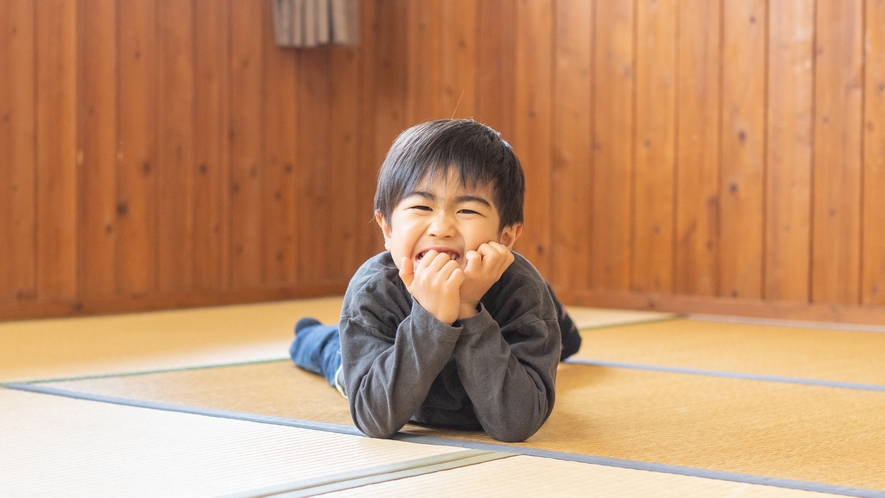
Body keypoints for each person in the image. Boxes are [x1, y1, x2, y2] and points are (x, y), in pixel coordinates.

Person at [290, 119, 582, 442]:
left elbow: (516, 423)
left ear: (506, 236)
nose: (441, 228)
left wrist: (468, 308)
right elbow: (374, 418)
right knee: (334, 353)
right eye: (421, 206)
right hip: (386, 359)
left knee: (541, 325)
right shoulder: (374, 290)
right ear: (387, 229)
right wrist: (431, 318)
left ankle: (559, 325)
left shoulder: (522, 290)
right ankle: (309, 335)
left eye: (467, 211)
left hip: (512, 336)